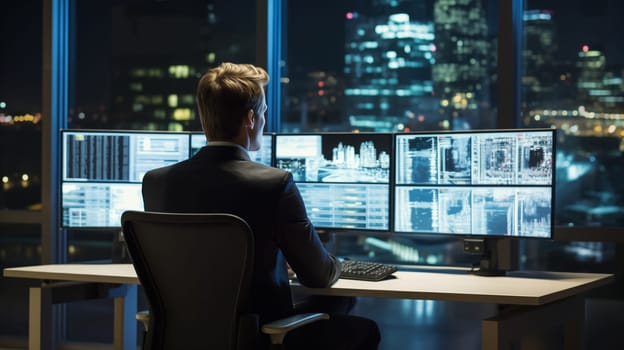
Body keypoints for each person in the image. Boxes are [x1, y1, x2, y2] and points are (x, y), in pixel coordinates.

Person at [141, 62, 381, 349]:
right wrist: (338, 263)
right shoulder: (274, 184)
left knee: (337, 304)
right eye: (264, 113)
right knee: (362, 327)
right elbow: (318, 275)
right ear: (251, 119)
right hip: (260, 336)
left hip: (183, 335)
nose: (265, 121)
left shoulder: (156, 183)